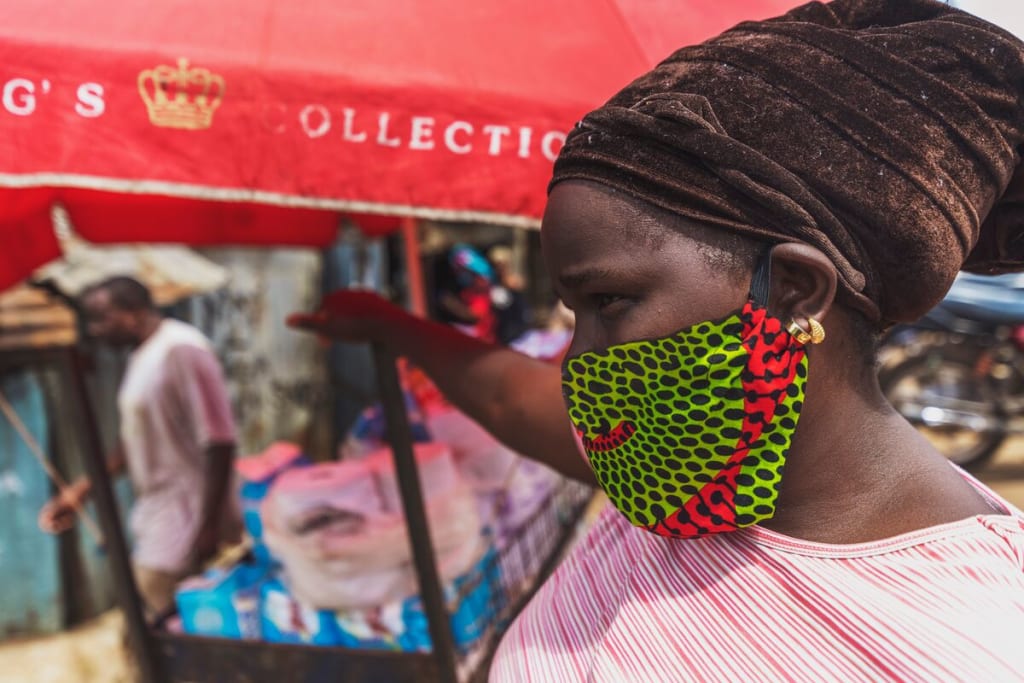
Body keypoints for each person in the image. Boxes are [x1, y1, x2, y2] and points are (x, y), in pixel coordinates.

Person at [289, 0, 1024, 679]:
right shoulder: (681, 466)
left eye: (609, 301)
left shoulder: (963, 644)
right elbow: (514, 399)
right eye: (576, 310)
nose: (580, 357)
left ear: (796, 289)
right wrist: (388, 325)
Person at [39, 276, 240, 616]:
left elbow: (220, 440)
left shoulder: (180, 349)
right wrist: (82, 491)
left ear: (132, 312)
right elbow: (133, 441)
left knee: (158, 631)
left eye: (101, 318)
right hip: (157, 518)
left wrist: (207, 527)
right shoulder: (143, 356)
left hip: (184, 523)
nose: (95, 330)